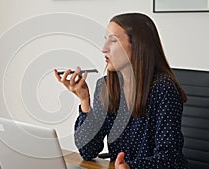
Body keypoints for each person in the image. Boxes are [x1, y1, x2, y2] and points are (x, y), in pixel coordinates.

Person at [54, 13, 188, 169]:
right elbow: (87, 151)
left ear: (137, 45)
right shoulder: (106, 86)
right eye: (105, 40)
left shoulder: (163, 88)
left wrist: (131, 167)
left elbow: (170, 159)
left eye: (113, 40)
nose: (104, 49)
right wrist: (84, 101)